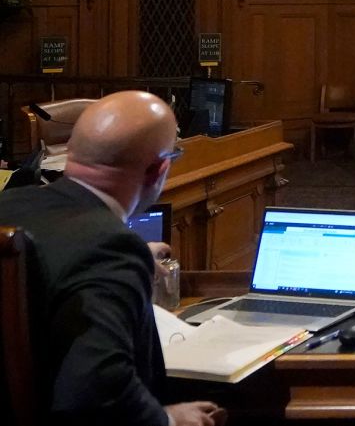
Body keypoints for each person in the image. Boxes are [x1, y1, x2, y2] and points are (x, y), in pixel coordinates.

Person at [0, 91, 227, 426]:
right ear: (159, 168)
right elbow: (95, 392)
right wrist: (167, 419)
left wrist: (125, 264)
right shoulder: (109, 247)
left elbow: (51, 263)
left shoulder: (9, 204)